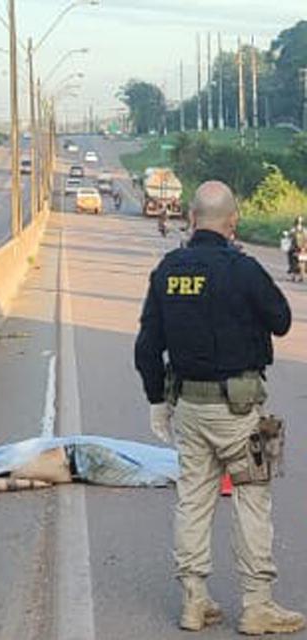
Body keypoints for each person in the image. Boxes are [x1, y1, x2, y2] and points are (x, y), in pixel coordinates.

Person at [134, 181, 301, 635]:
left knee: (192, 500)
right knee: (252, 500)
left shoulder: (167, 270)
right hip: (241, 413)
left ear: (190, 217)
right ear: (233, 221)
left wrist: (156, 400)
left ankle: (194, 601)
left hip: (188, 407)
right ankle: (257, 605)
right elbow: (282, 321)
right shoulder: (243, 270)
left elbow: (147, 345)